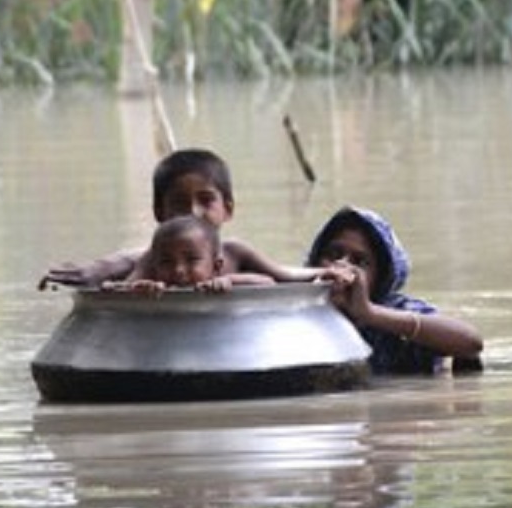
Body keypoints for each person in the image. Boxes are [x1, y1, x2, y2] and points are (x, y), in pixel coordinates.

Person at [39, 148, 333, 289]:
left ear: (228, 208)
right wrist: (140, 289)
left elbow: (281, 279)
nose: (193, 213)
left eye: (206, 201)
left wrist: (328, 273)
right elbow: (122, 289)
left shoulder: (236, 252)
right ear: (159, 213)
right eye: (179, 203)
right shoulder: (154, 258)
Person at [306, 206, 483, 374]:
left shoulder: (395, 312)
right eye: (333, 255)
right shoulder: (301, 313)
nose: (341, 266)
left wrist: (369, 313)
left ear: (380, 278)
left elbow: (471, 342)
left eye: (359, 262)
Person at [101, 215, 274, 294]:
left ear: (216, 266)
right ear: (155, 267)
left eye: (192, 260)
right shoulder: (158, 290)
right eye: (166, 262)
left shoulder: (217, 286)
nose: (178, 270)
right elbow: (117, 289)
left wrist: (230, 281)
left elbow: (268, 283)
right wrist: (139, 290)